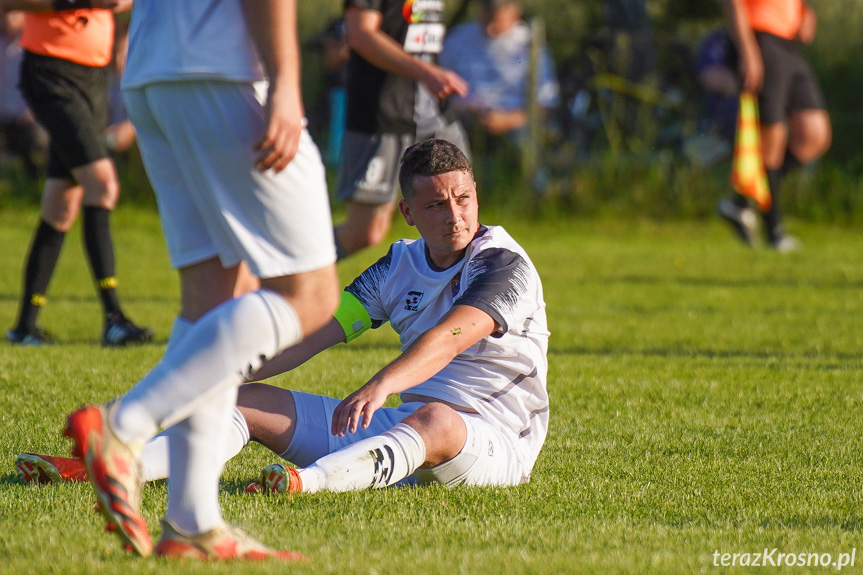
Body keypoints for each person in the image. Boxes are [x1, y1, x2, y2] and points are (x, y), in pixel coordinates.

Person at [23, 138, 549, 517]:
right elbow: (316, 330)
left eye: (463, 199)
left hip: (491, 441)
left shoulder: (502, 262)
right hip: (403, 428)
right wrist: (219, 375)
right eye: (436, 205)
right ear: (408, 213)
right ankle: (117, 467)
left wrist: (382, 384)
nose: (455, 215)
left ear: (476, 193)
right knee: (239, 401)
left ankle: (308, 484)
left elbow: (453, 335)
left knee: (437, 418)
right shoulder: (399, 264)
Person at [63, 0, 339, 562]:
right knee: (310, 295)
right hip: (224, 70)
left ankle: (192, 523)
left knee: (213, 297)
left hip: (152, 74)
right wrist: (287, 83)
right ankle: (124, 426)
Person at [1, 0, 152, 346]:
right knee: (102, 184)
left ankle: (24, 326)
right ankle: (113, 319)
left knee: (61, 205)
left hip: (94, 77)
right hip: (51, 73)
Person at [332, 0, 472, 260]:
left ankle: (459, 297)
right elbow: (361, 33)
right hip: (384, 116)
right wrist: (425, 72)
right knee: (366, 232)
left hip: (438, 117)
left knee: (463, 222)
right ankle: (284, 275)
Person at [716, 0, 831, 252]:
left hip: (787, 44)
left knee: (815, 133)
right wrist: (747, 50)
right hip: (759, 39)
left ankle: (742, 200)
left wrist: (805, 11)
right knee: (772, 137)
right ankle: (774, 231)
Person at [439, 0, 559, 152]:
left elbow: (546, 105)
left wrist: (507, 120)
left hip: (514, 126)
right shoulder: (456, 38)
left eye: (496, 22)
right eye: (485, 20)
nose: (489, 29)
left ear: (515, 12)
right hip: (462, 119)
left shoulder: (531, 46)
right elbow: (436, 84)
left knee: (523, 146)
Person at [0, 9, 47, 179]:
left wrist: (34, 111)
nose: (9, 18)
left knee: (38, 139)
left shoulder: (33, 45)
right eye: (6, 13)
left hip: (27, 117)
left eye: (15, 13)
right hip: (3, 116)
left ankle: (34, 185)